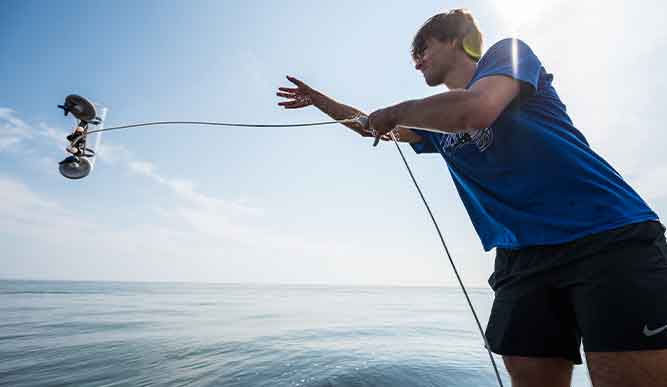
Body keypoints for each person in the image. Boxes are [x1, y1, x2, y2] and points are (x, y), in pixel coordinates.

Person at [277, 8, 667, 387]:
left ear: (459, 40)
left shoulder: (508, 54)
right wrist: (318, 100)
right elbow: (368, 127)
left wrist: (396, 111)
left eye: (423, 48)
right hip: (521, 258)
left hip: (606, 236)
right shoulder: (435, 125)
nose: (416, 62)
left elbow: (477, 109)